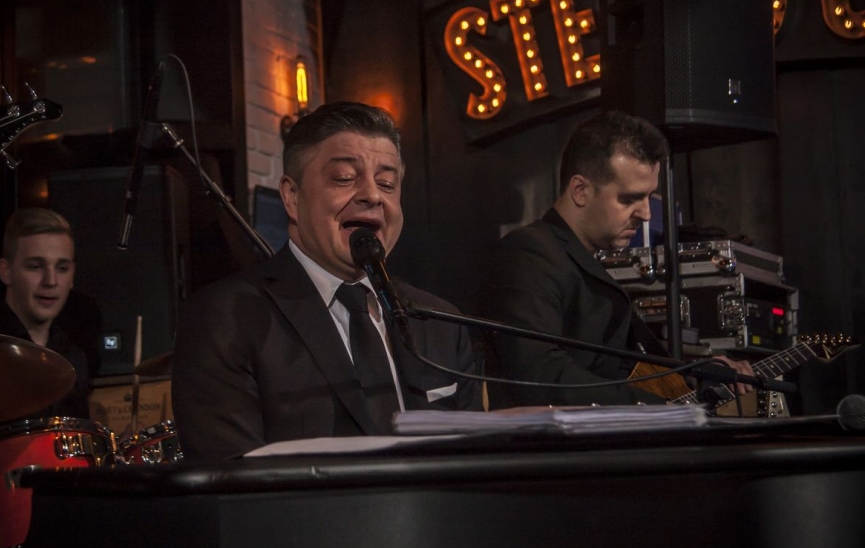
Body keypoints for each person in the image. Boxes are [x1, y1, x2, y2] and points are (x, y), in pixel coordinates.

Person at [172, 101, 482, 460]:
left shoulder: (441, 323)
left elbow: (475, 464)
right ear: (292, 197)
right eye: (344, 178)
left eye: (386, 183)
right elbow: (230, 479)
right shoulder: (227, 318)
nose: (372, 195)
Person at [483, 110, 753, 408]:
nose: (646, 214)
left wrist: (694, 373)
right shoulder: (529, 252)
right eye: (629, 199)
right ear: (580, 190)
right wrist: (656, 408)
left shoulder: (581, 261)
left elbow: (622, 369)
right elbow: (539, 373)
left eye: (649, 197)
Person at [0, 207, 90, 419]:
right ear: (6, 272)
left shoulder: (74, 356)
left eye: (62, 268)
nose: (51, 281)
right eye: (36, 266)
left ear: (72, 276)